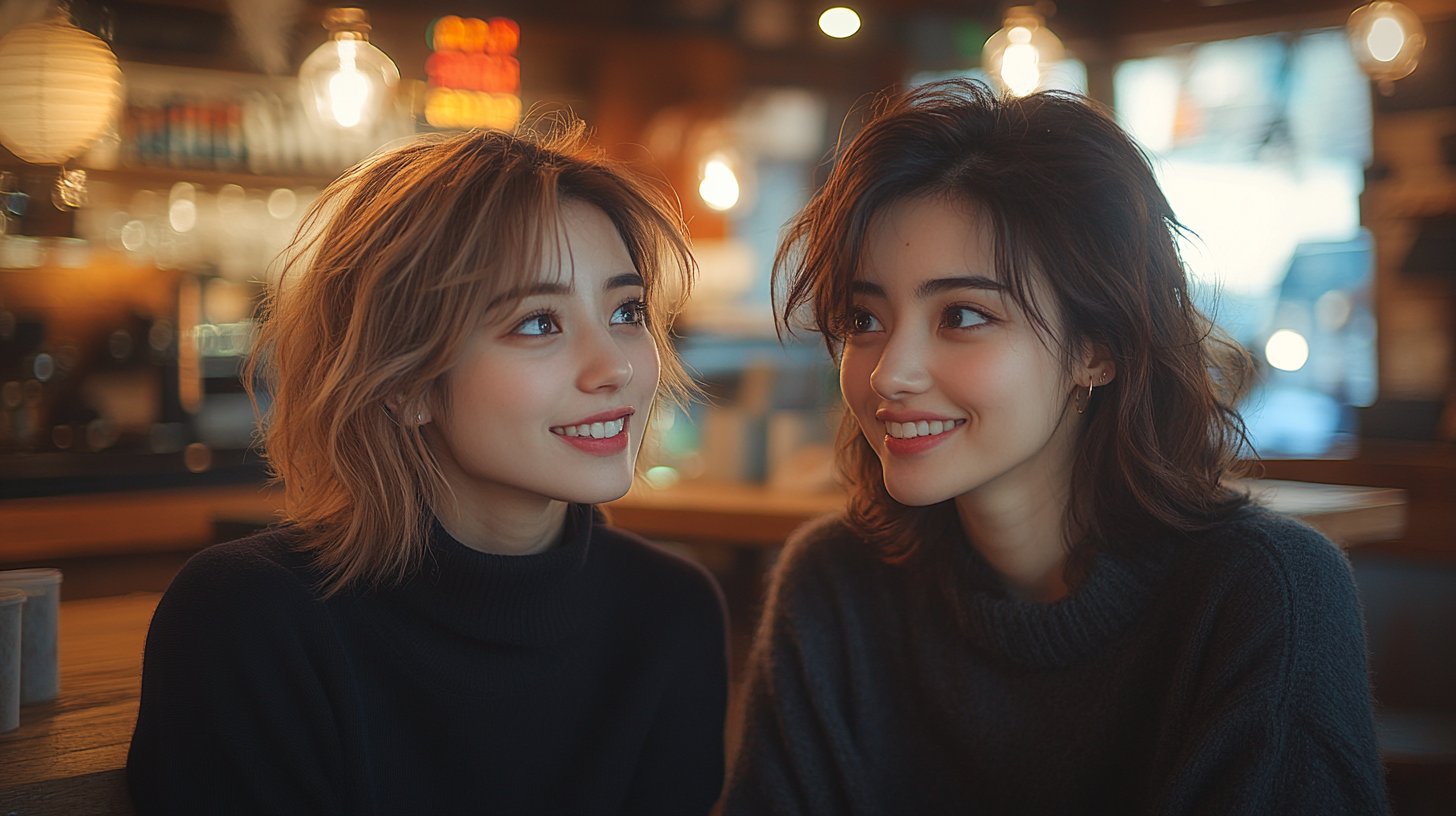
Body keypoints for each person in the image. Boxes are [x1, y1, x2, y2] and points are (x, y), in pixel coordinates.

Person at [725, 80, 1388, 815]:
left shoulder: (1263, 593)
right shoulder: (836, 584)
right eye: (863, 316)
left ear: (1098, 347)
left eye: (964, 315)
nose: (890, 372)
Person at [127, 125, 729, 815]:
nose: (617, 365)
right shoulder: (251, 620)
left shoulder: (670, 615)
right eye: (538, 323)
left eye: (627, 311)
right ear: (403, 380)